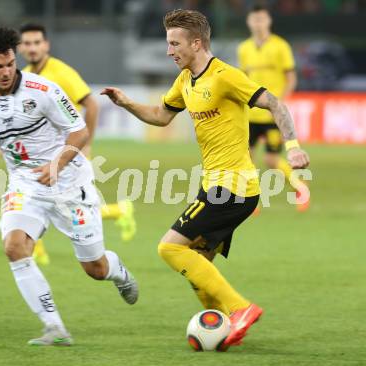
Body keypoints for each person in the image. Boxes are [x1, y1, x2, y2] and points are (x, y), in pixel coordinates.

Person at [102, 9, 309, 349]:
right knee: (198, 268)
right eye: (168, 43)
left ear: (196, 43)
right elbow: (160, 116)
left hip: (233, 187)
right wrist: (126, 103)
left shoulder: (226, 76)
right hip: (217, 186)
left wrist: (294, 146)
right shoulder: (185, 80)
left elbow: (274, 103)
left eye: (175, 43)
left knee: (169, 248)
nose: (169, 51)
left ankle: (241, 309)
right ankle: (223, 331)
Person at [0, 27, 138, 346]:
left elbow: (79, 132)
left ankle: (119, 272)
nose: (6, 72)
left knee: (94, 267)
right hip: (25, 186)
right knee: (14, 247)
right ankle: (55, 328)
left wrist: (55, 165)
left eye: (9, 64)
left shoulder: (43, 89)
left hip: (70, 182)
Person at [18, 23, 137, 266]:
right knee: (35, 199)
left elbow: (91, 105)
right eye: (27, 43)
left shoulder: (61, 72)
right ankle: (34, 250)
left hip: (67, 154)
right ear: (20, 47)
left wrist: (85, 145)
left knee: (68, 208)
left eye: (37, 42)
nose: (32, 48)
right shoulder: (26, 75)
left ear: (46, 45)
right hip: (41, 153)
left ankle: (118, 211)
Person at [238, 5, 309, 213]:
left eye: (261, 19)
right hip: (250, 114)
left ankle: (300, 188)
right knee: (247, 159)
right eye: (254, 19)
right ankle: (251, 202)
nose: (258, 23)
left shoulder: (280, 46)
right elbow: (242, 80)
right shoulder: (244, 48)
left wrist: (279, 105)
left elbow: (291, 78)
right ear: (249, 22)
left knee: (271, 159)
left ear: (268, 21)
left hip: (271, 116)